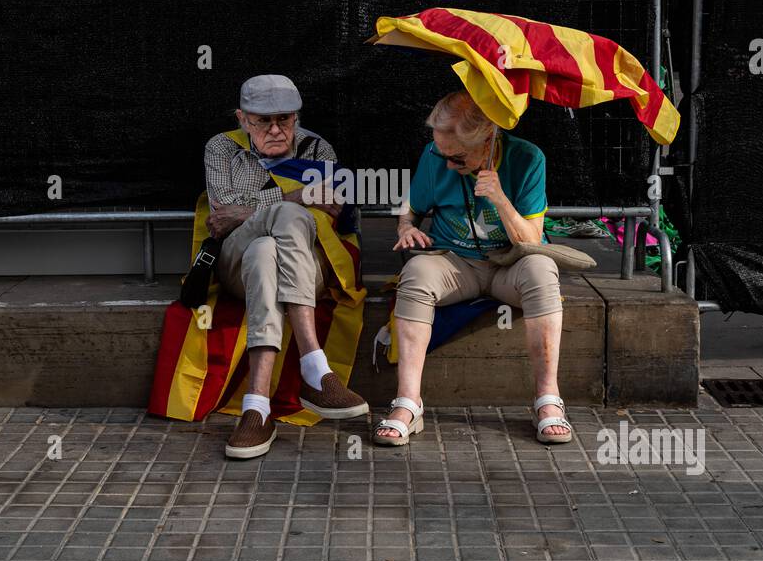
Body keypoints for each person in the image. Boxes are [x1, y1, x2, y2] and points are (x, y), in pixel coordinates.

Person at [376, 90, 572, 446]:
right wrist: (407, 227)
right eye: (443, 154)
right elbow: (412, 207)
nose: (448, 164)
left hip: (508, 265)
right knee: (417, 273)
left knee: (542, 270)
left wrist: (500, 198)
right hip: (456, 263)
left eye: (458, 158)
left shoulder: (528, 159)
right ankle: (408, 402)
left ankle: (547, 399)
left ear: (487, 140)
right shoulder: (436, 156)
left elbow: (530, 238)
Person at [203, 74, 368, 459]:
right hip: (234, 265)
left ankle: (256, 407)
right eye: (263, 121)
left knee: (266, 248)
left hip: (304, 263)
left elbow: (331, 210)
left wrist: (253, 208)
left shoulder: (317, 149)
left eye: (286, 119)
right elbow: (223, 215)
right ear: (243, 118)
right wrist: (296, 196)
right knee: (288, 217)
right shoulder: (221, 148)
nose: (277, 130)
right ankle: (315, 367)